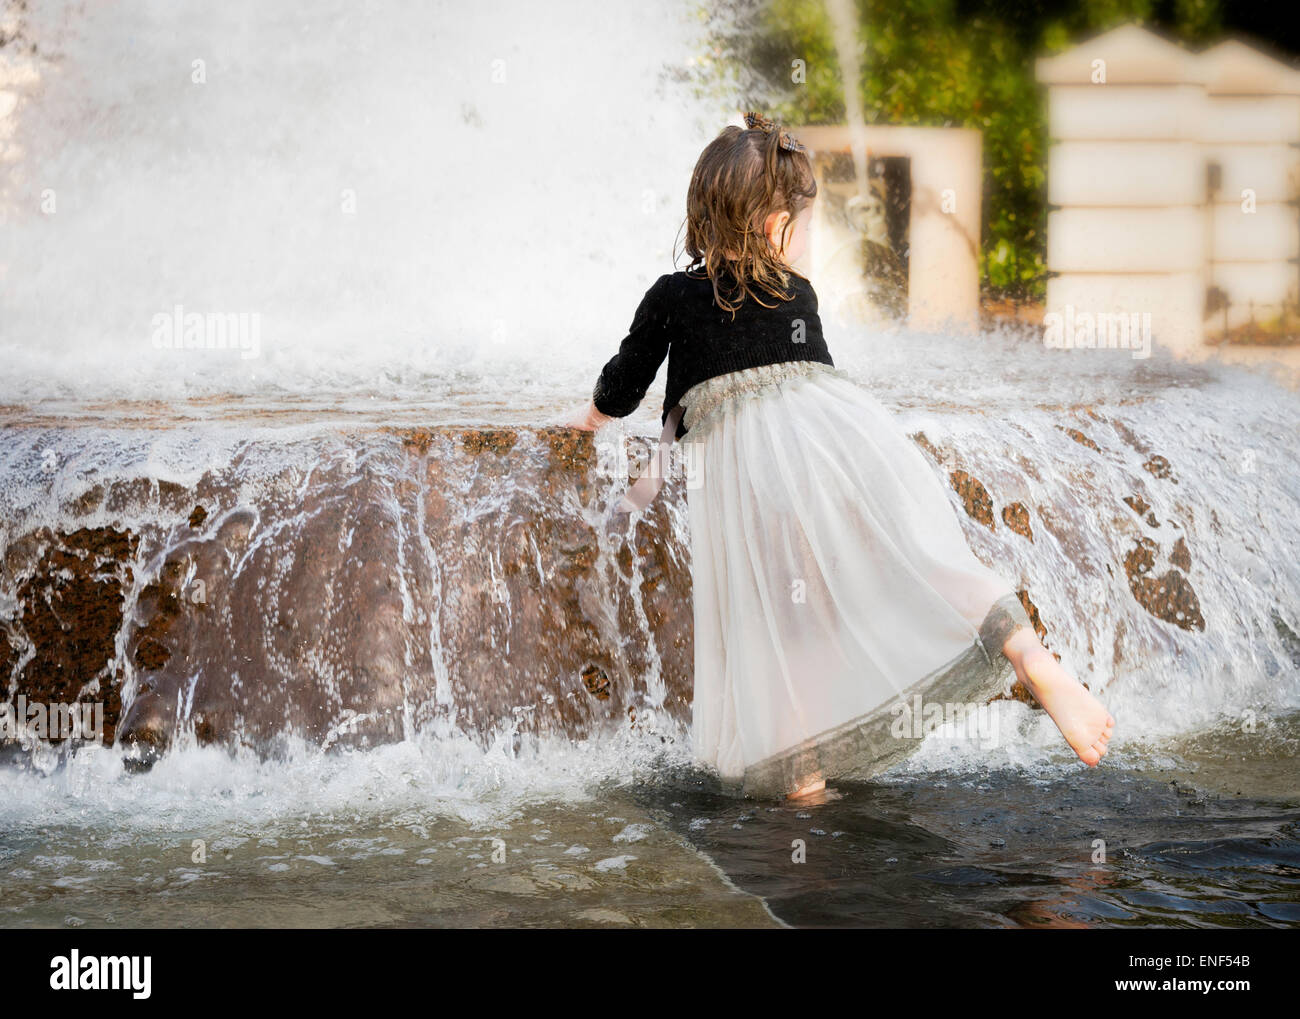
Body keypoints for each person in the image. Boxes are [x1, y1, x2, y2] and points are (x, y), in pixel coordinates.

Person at [567, 114, 1114, 798]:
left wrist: (590, 417)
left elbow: (628, 381)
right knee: (919, 561)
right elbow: (812, 381)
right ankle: (1029, 654)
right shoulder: (798, 293)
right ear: (775, 225)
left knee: (777, 629)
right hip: (841, 449)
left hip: (758, 484)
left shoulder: (673, 296)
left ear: (702, 211)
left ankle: (804, 783)